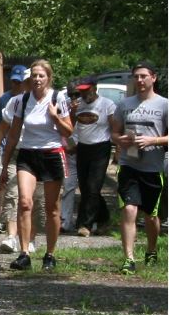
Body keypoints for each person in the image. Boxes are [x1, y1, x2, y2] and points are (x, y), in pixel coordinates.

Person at [1, 60, 73, 271]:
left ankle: (50, 255)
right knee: (25, 202)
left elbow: (69, 131)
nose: (37, 79)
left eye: (41, 75)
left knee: (51, 209)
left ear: (48, 78)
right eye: (34, 75)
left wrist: (55, 118)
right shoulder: (22, 100)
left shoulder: (57, 98)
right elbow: (13, 135)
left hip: (52, 154)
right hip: (28, 154)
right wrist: (5, 166)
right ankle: (24, 253)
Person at [111, 61, 167, 274]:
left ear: (153, 78)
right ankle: (129, 258)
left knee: (150, 216)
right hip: (128, 164)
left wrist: (153, 141)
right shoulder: (125, 104)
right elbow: (113, 132)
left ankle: (151, 250)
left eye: (144, 76)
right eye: (136, 76)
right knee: (129, 209)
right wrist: (121, 140)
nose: (140, 80)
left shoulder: (164, 104)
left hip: (153, 168)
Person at [0, 66, 44, 254]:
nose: (31, 84)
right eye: (28, 81)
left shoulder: (49, 101)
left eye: (35, 80)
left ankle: (30, 238)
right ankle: (11, 237)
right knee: (13, 193)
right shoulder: (15, 102)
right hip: (15, 153)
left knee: (33, 198)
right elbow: (2, 128)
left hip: (40, 154)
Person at [70, 76, 116, 237]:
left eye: (86, 90)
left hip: (101, 148)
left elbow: (114, 126)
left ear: (94, 88)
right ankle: (104, 218)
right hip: (83, 148)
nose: (83, 94)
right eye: (81, 91)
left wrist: (118, 144)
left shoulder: (107, 104)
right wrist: (72, 112)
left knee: (93, 186)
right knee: (85, 187)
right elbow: (71, 126)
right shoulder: (78, 106)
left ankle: (85, 225)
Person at [0, 65, 29, 235]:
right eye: (14, 82)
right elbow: (0, 127)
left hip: (27, 148)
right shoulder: (4, 100)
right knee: (5, 184)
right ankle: (2, 219)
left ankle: (22, 224)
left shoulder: (32, 100)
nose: (16, 85)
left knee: (25, 190)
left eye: (19, 83)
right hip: (7, 147)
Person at [60, 81, 80, 233]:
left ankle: (88, 221)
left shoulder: (92, 105)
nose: (74, 98)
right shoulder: (64, 106)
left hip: (89, 152)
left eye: (77, 95)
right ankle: (65, 220)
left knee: (90, 188)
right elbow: (67, 128)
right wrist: (72, 112)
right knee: (68, 186)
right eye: (71, 95)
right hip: (69, 152)